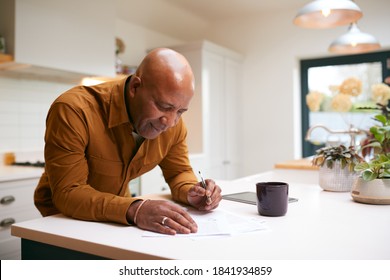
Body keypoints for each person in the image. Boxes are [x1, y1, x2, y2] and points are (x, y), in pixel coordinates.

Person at [34, 48, 222, 235]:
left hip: (117, 219)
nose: (170, 122)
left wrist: (192, 192)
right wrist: (136, 209)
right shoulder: (74, 110)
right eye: (164, 106)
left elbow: (178, 172)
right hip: (62, 222)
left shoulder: (174, 126)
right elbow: (69, 193)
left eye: (180, 111)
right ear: (135, 87)